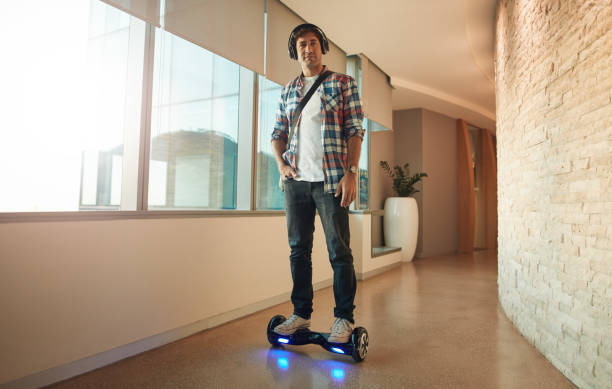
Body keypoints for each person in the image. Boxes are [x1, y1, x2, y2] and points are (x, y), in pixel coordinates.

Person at [270, 23, 364, 343]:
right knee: (299, 251)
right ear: (295, 52)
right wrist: (281, 164)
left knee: (339, 251)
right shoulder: (287, 91)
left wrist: (351, 172)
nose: (307, 49)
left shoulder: (342, 83)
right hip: (296, 184)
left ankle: (343, 318)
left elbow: (354, 130)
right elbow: (277, 135)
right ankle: (300, 314)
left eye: (312, 43)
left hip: (331, 180)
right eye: (301, 45)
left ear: (322, 47)